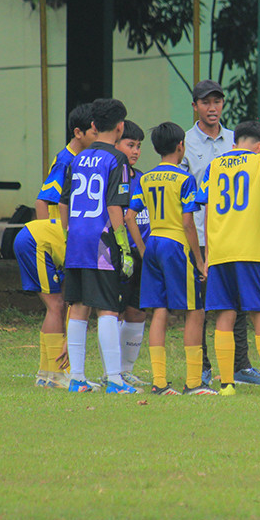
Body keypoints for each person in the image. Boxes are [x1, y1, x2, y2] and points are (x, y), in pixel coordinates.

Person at [180, 80, 260, 386]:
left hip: (232, 236)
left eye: (217, 101)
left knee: (237, 306)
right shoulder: (185, 143)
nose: (212, 107)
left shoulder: (235, 140)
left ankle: (240, 366)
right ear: (195, 107)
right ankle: (203, 366)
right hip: (199, 235)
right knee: (203, 305)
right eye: (205, 102)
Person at [126, 122, 213, 395]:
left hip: (152, 242)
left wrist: (142, 248)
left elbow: (129, 215)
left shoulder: (146, 178)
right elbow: (188, 222)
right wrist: (199, 260)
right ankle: (193, 382)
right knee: (194, 311)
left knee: (159, 310)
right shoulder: (184, 179)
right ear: (181, 147)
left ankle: (160, 382)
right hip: (176, 246)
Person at [197, 121, 260, 397]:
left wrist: (208, 253)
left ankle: (227, 385)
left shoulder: (214, 166)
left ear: (235, 144)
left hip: (220, 251)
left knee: (225, 314)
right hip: (250, 251)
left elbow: (208, 209)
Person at [58, 98, 136, 394]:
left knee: (78, 306)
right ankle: (115, 379)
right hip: (102, 242)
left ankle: (76, 378)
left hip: (76, 240)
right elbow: (116, 207)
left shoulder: (77, 157)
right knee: (107, 308)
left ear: (93, 126)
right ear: (120, 127)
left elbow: (64, 201)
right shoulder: (116, 159)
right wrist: (124, 247)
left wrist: (70, 232)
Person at [32, 102, 95, 384]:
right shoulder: (67, 159)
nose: (99, 133)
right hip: (59, 244)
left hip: (68, 243)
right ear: (78, 132)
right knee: (60, 305)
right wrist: (55, 235)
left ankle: (49, 374)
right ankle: (56, 373)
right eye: (94, 129)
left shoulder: (85, 158)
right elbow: (43, 200)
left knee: (61, 305)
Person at [112, 120, 148, 389]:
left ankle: (126, 369)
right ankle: (111, 370)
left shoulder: (142, 179)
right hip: (117, 251)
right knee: (114, 311)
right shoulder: (112, 174)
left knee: (137, 311)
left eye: (138, 146)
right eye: (130, 144)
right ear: (116, 144)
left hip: (142, 254)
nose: (135, 151)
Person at [15, 217, 67, 388]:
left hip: (31, 236)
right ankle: (56, 375)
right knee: (56, 306)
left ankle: (44, 374)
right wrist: (69, 338)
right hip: (36, 242)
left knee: (56, 306)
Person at [36, 103, 96, 220]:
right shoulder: (65, 161)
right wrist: (45, 234)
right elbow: (41, 203)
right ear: (78, 133)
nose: (99, 138)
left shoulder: (86, 158)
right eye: (95, 133)